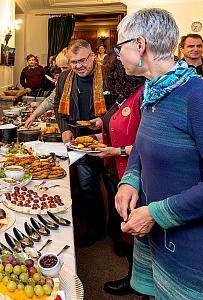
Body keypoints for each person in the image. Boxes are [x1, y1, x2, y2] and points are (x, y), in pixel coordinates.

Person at [114, 8, 203, 299]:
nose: (117, 54)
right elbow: (141, 146)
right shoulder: (152, 91)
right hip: (161, 240)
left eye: (120, 46)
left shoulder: (200, 96)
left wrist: (155, 213)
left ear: (139, 44)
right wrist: (130, 180)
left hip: (198, 250)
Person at [86, 53, 145, 296]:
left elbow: (147, 143)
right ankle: (135, 277)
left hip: (133, 173)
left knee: (136, 230)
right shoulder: (122, 98)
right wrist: (100, 134)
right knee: (125, 228)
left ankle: (139, 282)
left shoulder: (142, 96)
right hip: (114, 170)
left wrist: (116, 150)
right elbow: (115, 126)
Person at [55, 39, 110, 247]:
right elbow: (57, 107)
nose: (78, 66)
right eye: (73, 61)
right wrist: (65, 130)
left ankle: (118, 234)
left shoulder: (108, 75)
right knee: (88, 186)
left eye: (82, 60)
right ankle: (95, 229)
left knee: (113, 186)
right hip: (79, 140)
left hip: (107, 139)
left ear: (93, 56)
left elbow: (121, 105)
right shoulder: (64, 78)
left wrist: (103, 121)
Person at [24, 49, 70, 128]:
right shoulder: (63, 80)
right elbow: (51, 100)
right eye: (60, 69)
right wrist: (34, 115)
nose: (62, 72)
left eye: (65, 68)